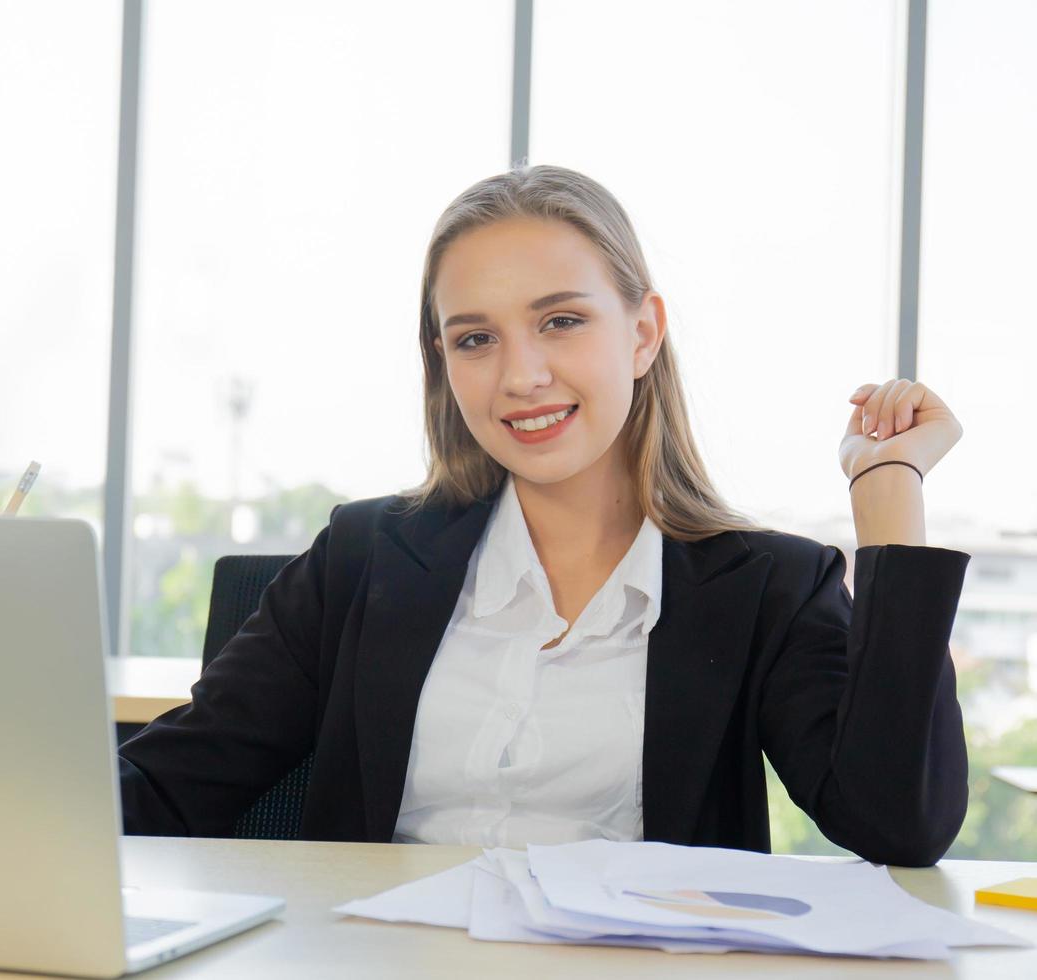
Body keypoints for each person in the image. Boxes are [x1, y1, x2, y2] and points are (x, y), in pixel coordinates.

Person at [117, 165, 969, 867]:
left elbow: (896, 823)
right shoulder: (362, 557)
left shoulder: (767, 585)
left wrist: (888, 492)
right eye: (475, 338)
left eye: (560, 321)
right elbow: (167, 786)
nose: (521, 375)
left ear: (642, 334)